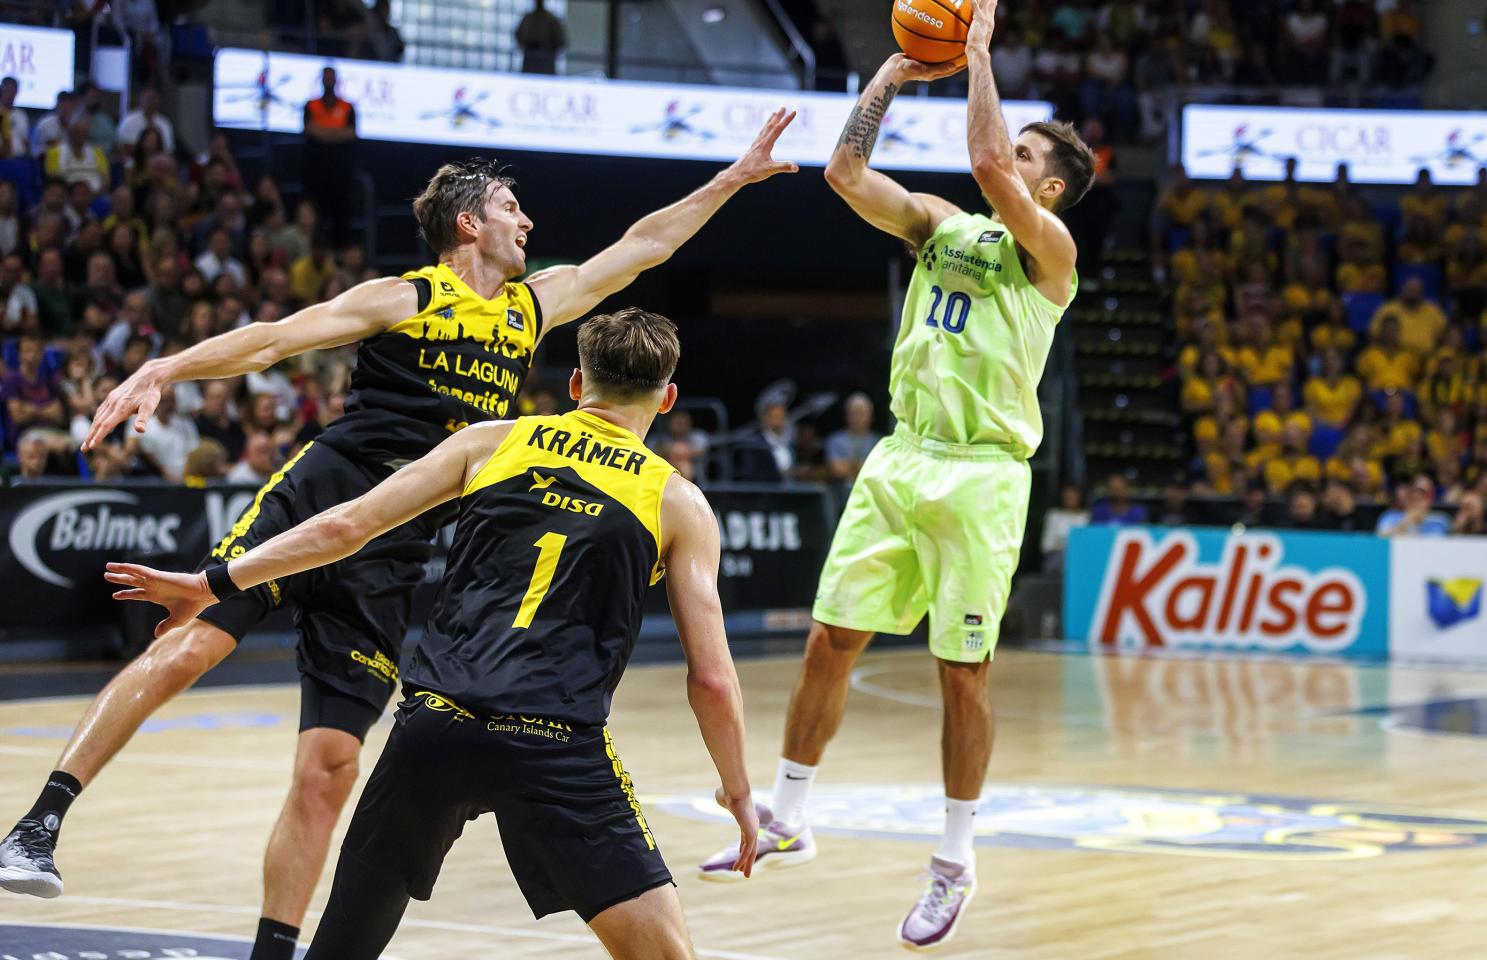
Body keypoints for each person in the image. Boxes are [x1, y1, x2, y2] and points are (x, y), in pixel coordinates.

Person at [0, 114, 798, 960]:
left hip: (394, 545)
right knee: (196, 644)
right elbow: (274, 340)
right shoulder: (407, 296)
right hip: (328, 496)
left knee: (331, 769)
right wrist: (166, 368)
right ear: (470, 223)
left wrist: (732, 178)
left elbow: (642, 246)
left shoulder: (533, 308)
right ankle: (40, 820)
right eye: (510, 205)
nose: (526, 221)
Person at [103, 309, 757, 960]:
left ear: (577, 384)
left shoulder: (490, 442)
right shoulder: (677, 502)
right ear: (667, 398)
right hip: (557, 748)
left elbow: (344, 528)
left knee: (341, 948)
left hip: (434, 729)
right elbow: (712, 678)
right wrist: (738, 789)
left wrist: (215, 582)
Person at [697, 5, 1089, 948]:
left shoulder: (1052, 257)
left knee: (962, 673)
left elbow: (994, 167)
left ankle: (955, 860)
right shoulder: (943, 226)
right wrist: (891, 76)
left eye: (1033, 152)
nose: (1012, 154)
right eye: (1018, 142)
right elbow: (844, 175)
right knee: (831, 639)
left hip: (984, 475)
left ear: (1058, 186)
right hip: (902, 457)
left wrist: (981, 54)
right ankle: (789, 812)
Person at [303, 68, 358, 247]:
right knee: (316, 214)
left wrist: (323, 133)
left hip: (340, 173)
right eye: (326, 77)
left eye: (331, 77)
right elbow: (309, 129)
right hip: (315, 171)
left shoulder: (347, 107)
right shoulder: (311, 105)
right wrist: (336, 134)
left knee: (342, 214)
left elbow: (350, 133)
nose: (328, 81)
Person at [826, 391, 880, 480]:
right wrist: (861, 465)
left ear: (871, 416)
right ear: (847, 415)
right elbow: (837, 470)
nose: (858, 417)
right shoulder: (834, 440)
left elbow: (880, 469)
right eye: (854, 413)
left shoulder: (879, 442)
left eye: (861, 413)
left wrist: (849, 465)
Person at [516, 0, 568, 75]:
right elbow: (518, 35)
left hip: (545, 61)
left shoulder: (551, 19)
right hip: (531, 60)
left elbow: (561, 41)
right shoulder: (528, 18)